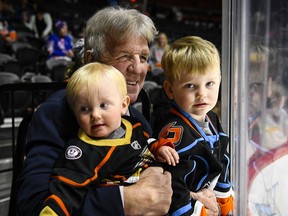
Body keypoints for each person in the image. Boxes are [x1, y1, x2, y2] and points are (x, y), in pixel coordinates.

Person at [16, 7, 218, 216]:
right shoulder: (56, 112)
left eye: (143, 57)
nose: (138, 69)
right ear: (91, 60)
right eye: (125, 56)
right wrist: (125, 201)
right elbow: (31, 206)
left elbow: (155, 186)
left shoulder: (137, 119)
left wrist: (192, 198)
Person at [40, 62, 177, 215]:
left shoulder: (133, 124)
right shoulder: (82, 150)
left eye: (104, 105)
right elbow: (65, 191)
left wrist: (159, 147)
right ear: (75, 115)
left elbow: (146, 142)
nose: (95, 115)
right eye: (85, 109)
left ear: (123, 105)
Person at [153, 36, 234, 216]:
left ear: (220, 81)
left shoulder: (212, 117)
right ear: (170, 90)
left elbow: (223, 158)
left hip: (208, 198)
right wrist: (194, 211)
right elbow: (172, 180)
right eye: (190, 86)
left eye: (209, 84)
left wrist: (224, 196)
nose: (202, 94)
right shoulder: (174, 130)